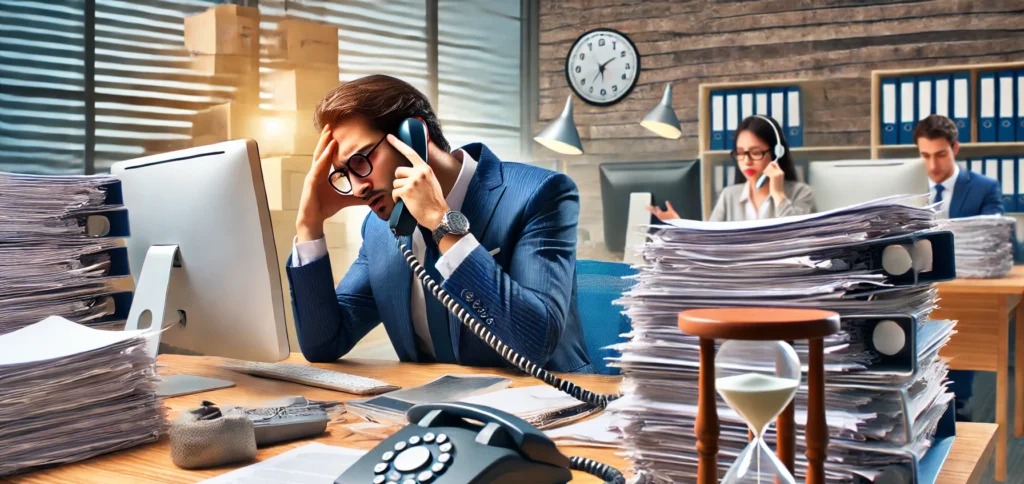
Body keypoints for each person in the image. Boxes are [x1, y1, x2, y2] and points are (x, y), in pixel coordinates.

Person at [286, 74, 594, 374]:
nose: (357, 188)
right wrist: (309, 226)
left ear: (414, 135)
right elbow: (324, 344)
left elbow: (535, 343)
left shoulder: (540, 194)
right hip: (431, 413)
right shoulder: (380, 229)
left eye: (360, 161)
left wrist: (442, 223)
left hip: (548, 408)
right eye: (344, 174)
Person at [913, 114, 1004, 421]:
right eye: (925, 155)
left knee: (964, 323)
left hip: (966, 287)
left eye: (941, 154)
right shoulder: (907, 189)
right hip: (919, 285)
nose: (933, 165)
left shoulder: (983, 188)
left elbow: (993, 237)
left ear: (956, 148)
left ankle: (957, 401)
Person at [649, 115, 815, 222]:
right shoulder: (729, 195)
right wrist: (681, 226)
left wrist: (778, 195)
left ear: (776, 153)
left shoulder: (801, 193)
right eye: (741, 153)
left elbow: (798, 238)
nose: (746, 161)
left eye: (756, 152)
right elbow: (709, 241)